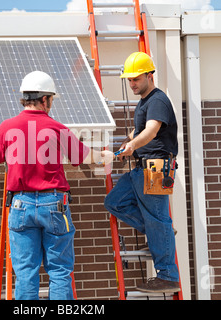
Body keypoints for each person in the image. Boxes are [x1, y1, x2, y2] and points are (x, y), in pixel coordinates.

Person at [0, 71, 115, 300]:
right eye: (52, 100)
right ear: (45, 99)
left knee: (25, 274)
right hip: (54, 205)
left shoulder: (7, 127)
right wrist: (104, 156)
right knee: (59, 272)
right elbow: (83, 156)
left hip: (20, 205)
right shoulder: (56, 127)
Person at [104, 52, 180, 293]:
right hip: (142, 168)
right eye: (129, 80)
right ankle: (160, 231)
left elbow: (150, 131)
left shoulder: (157, 100)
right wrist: (122, 148)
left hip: (157, 167)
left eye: (136, 79)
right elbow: (138, 132)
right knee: (114, 202)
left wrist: (133, 144)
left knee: (158, 219)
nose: (132, 84)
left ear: (150, 75)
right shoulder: (144, 102)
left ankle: (167, 275)